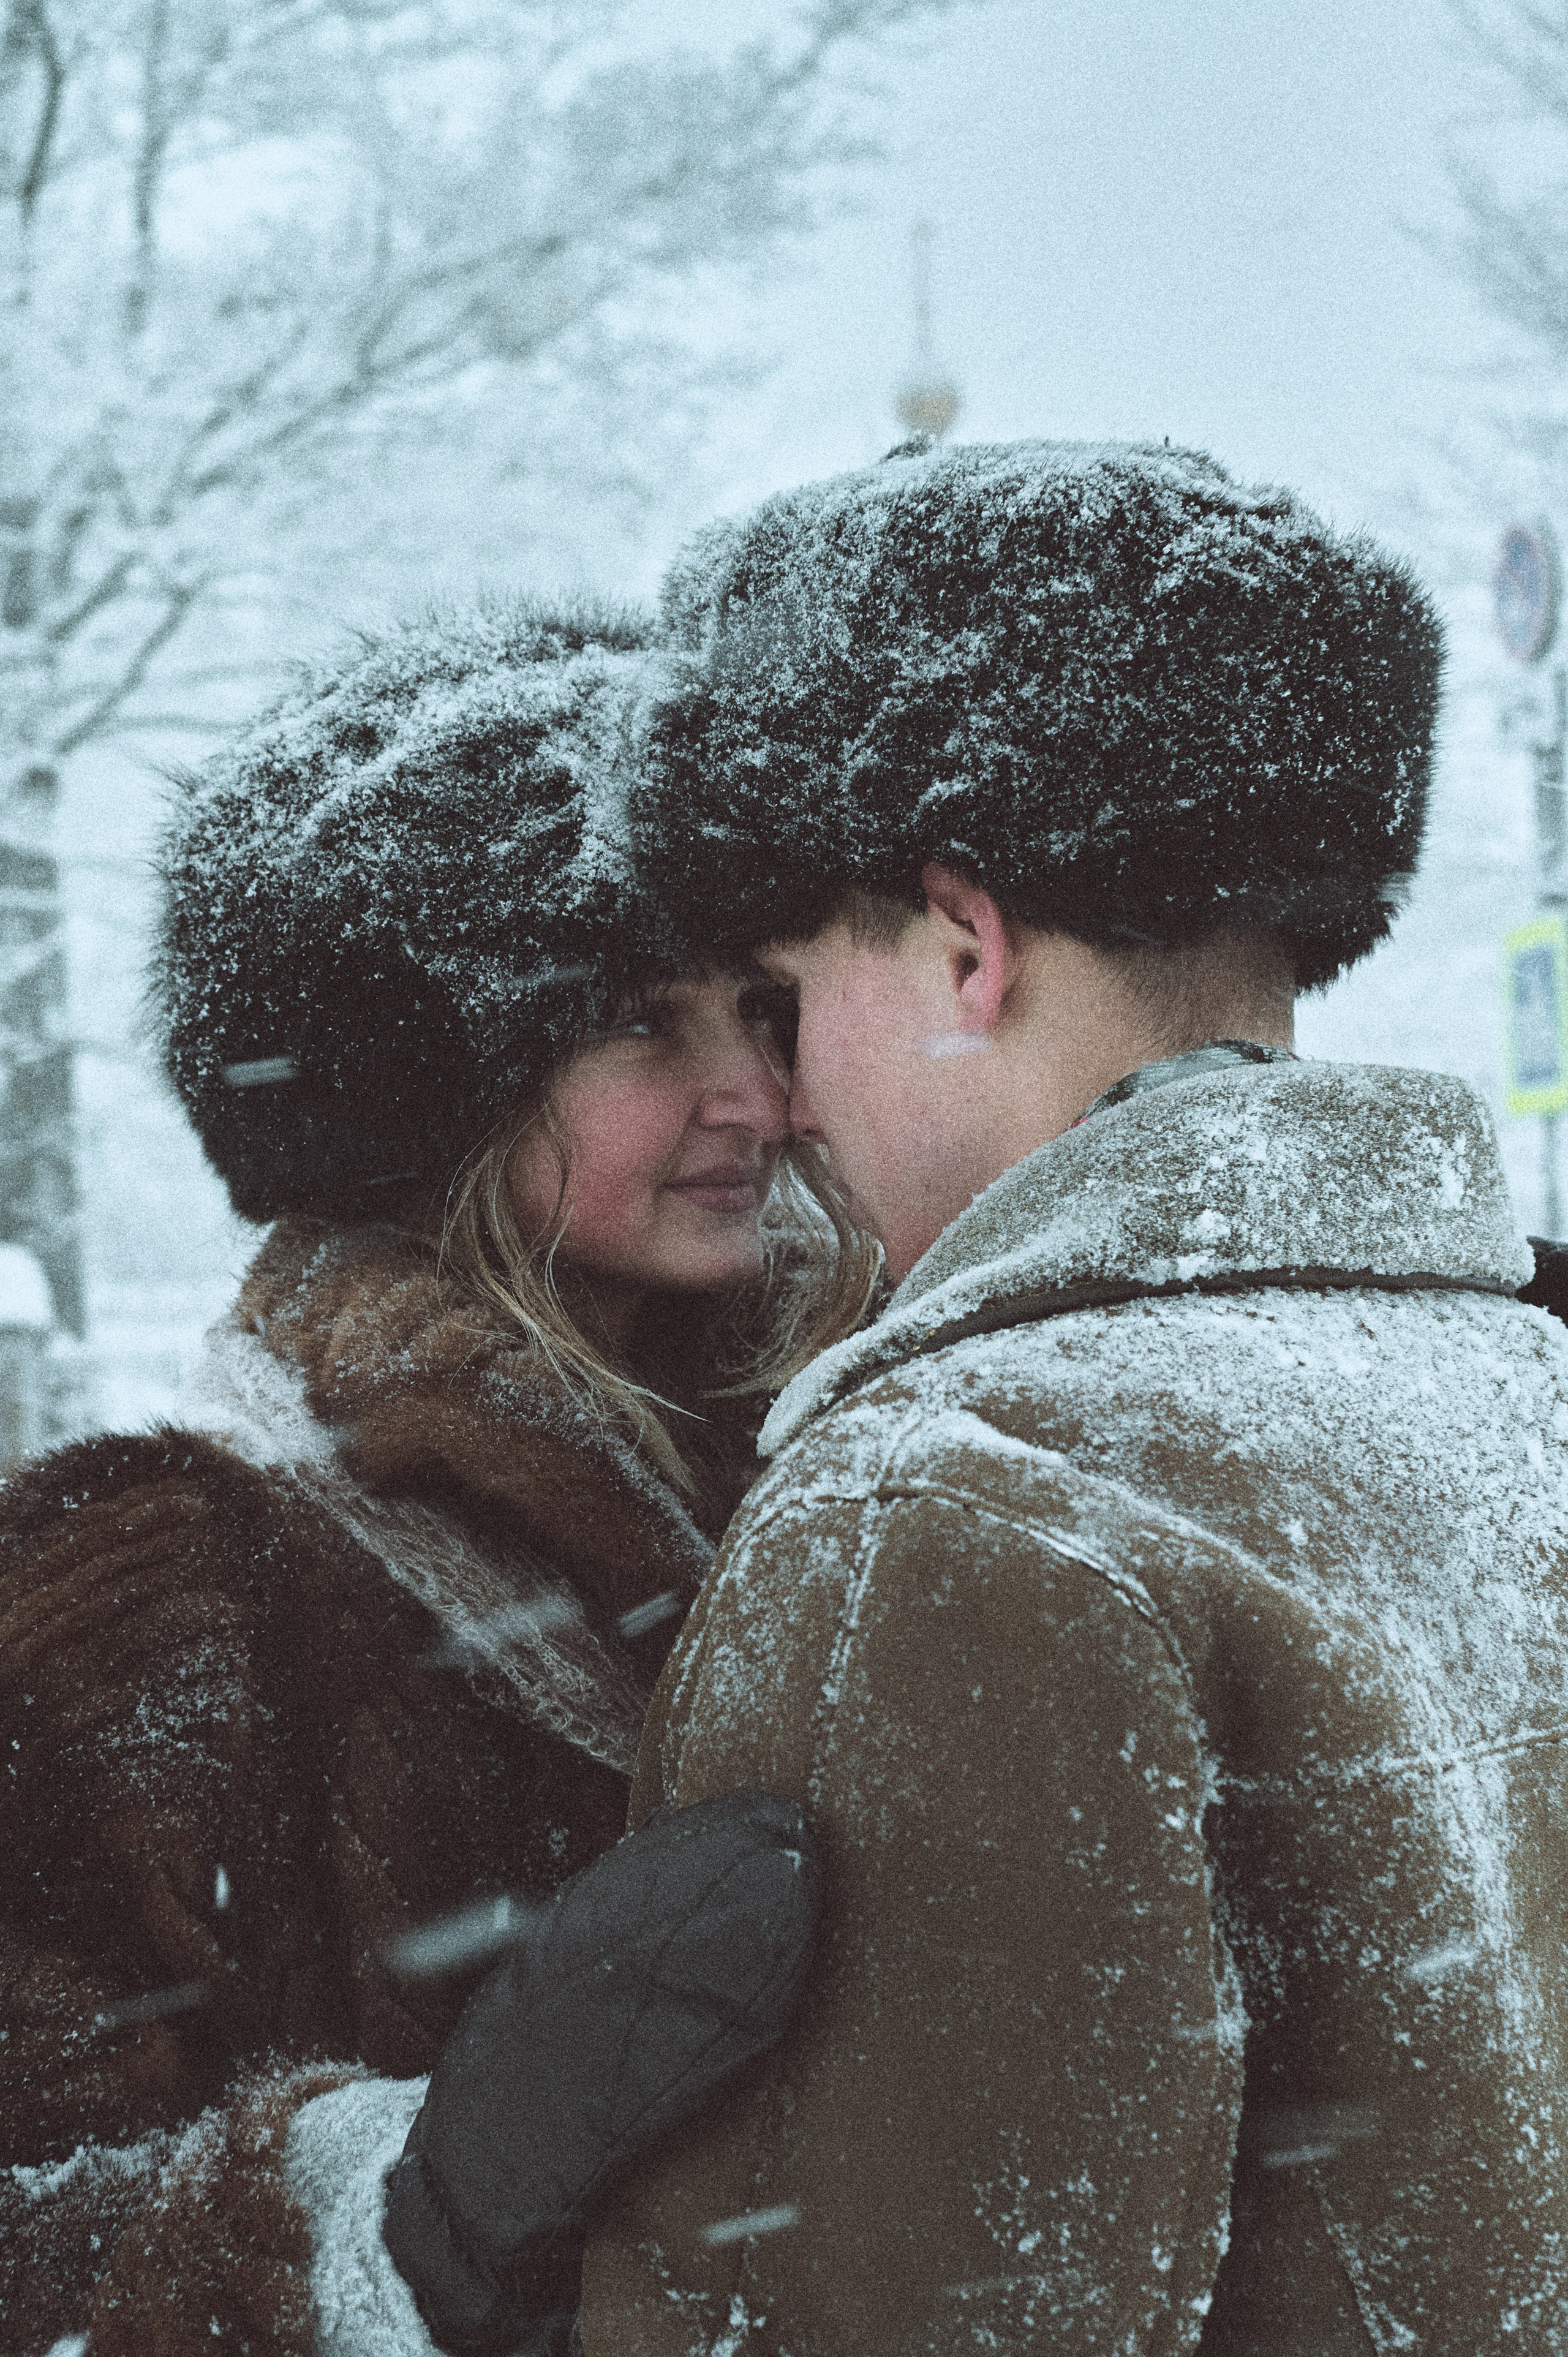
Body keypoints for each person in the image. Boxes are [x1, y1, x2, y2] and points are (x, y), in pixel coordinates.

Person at [578, 439, 1568, 2354]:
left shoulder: (959, 1507)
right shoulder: (1518, 1393)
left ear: (967, 945)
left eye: (787, 1007)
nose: (777, 1104)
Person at [0, 603, 872, 2357]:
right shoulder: (167, 1592)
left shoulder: (870, 1461)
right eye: (642, 1025)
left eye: (763, 1015)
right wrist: (387, 2216)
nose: (753, 1098)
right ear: (433, 1091)